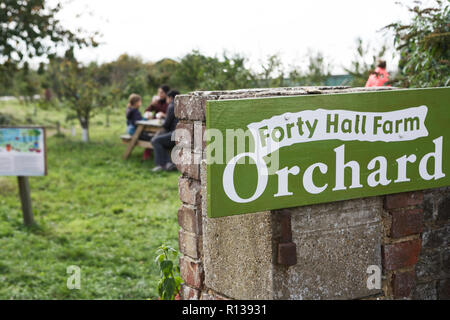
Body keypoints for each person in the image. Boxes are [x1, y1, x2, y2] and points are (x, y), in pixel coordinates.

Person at [151, 90, 179, 172]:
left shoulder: (171, 106)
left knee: (155, 140)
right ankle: (168, 164)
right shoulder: (180, 104)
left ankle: (161, 165)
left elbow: (166, 125)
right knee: (159, 140)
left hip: (175, 134)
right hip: (184, 133)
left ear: (170, 98)